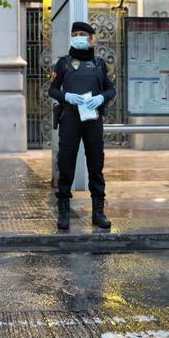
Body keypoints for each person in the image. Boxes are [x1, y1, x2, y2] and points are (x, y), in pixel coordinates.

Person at [48, 21, 116, 230]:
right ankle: (64, 211)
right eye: (75, 34)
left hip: (93, 120)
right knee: (66, 163)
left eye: (82, 34)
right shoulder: (63, 63)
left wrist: (101, 98)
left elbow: (111, 89)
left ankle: (98, 211)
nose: (78, 37)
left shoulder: (99, 64)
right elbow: (53, 90)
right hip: (70, 118)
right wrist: (66, 95)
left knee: (96, 164)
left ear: (90, 38)